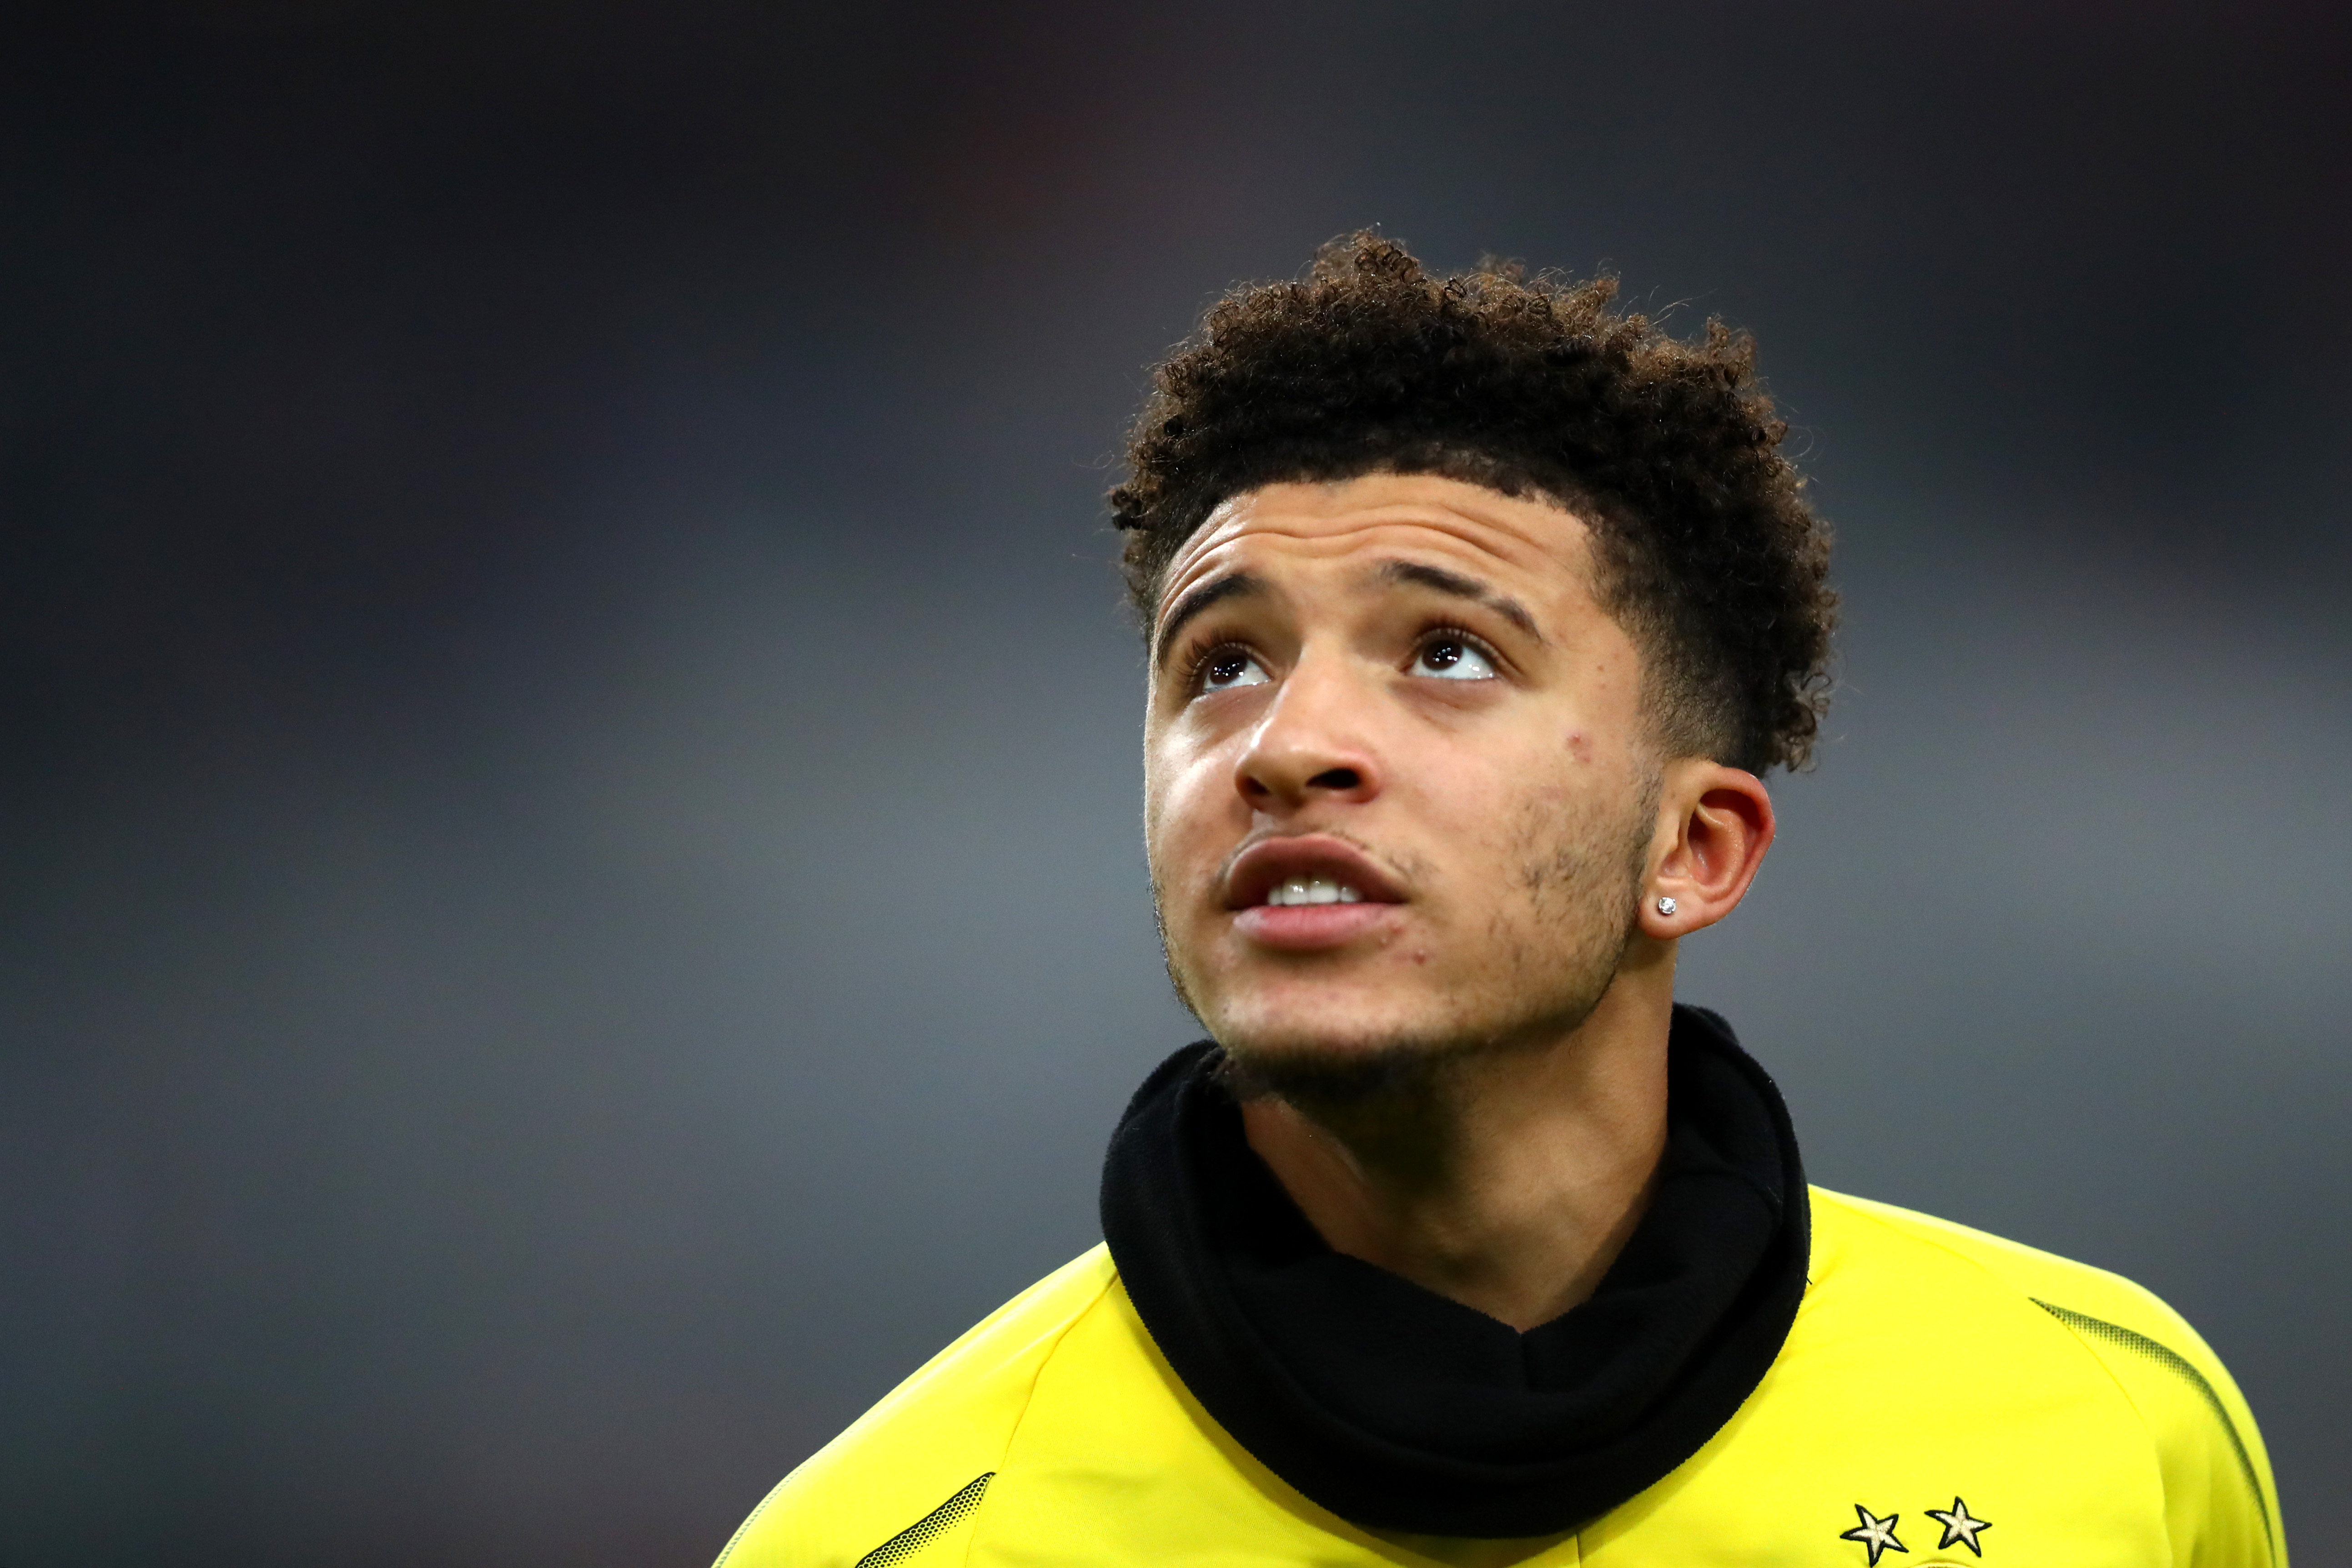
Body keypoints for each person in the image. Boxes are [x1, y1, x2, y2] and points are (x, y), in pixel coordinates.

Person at [714, 235, 2285, 1567]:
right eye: (1224, 664)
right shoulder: (886, 1538)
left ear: (1695, 850)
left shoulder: (2117, 1432)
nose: (1288, 747)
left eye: (1447, 652)